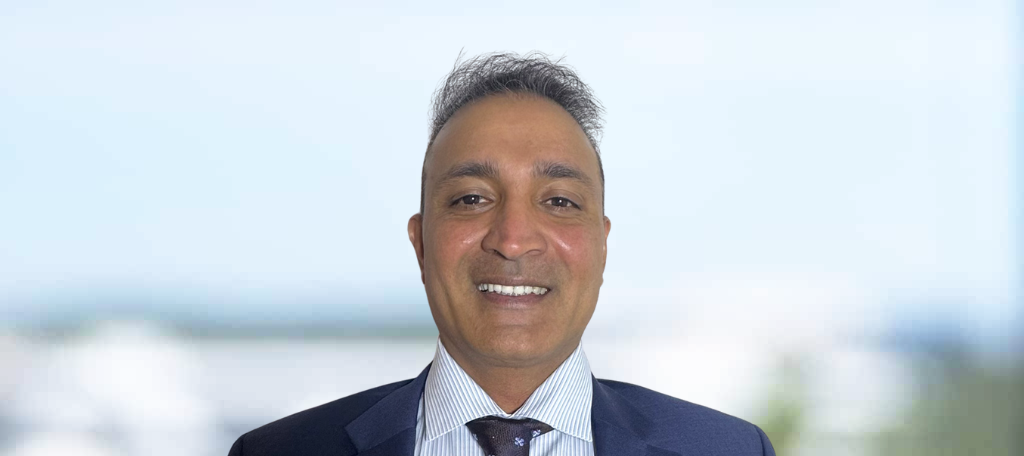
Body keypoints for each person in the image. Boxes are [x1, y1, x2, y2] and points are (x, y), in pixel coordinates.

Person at [227, 52, 776, 456]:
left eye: (559, 201)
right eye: (471, 199)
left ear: (603, 245)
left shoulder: (730, 450)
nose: (513, 240)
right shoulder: (279, 452)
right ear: (421, 244)